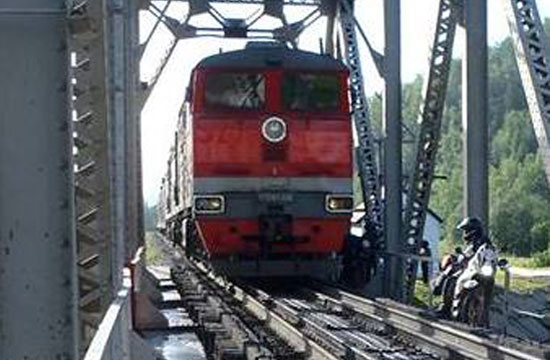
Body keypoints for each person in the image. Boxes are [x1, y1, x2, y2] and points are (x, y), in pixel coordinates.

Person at [450, 217, 497, 320]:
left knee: (489, 289)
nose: (465, 233)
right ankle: (454, 308)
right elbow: (465, 255)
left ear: (473, 230)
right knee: (456, 280)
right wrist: (461, 258)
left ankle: (485, 316)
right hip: (471, 270)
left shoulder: (483, 243)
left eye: (466, 230)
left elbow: (491, 255)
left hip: (480, 271)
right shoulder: (473, 243)